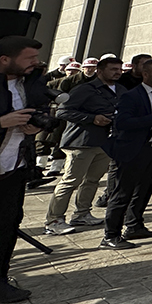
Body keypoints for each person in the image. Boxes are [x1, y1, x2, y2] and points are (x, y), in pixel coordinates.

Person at [102, 59, 152, 249]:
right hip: (131, 150)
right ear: (146, 74)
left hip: (151, 149)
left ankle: (134, 225)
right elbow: (122, 123)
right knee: (123, 193)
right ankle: (110, 235)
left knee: (144, 190)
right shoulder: (131, 96)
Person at [45, 57, 123, 235]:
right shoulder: (85, 89)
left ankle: (82, 214)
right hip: (81, 143)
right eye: (113, 69)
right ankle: (54, 220)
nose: (117, 72)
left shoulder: (120, 90)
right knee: (70, 181)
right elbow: (63, 110)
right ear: (100, 71)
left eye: (119, 69)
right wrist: (92, 118)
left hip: (104, 143)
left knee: (92, 181)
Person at [0, 37, 53, 302]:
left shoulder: (30, 84)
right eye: (29, 58)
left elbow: (42, 112)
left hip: (15, 169)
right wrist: (2, 121)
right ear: (5, 59)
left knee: (7, 225)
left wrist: (36, 126)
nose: (36, 63)